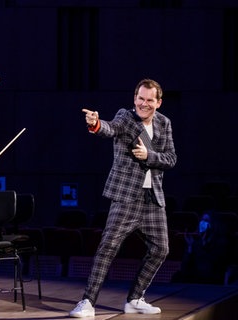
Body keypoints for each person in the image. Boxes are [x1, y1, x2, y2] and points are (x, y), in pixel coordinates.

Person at [70, 79, 177, 318]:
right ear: (135, 98)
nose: (144, 104)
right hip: (126, 197)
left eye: (150, 100)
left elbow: (171, 159)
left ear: (158, 102)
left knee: (161, 248)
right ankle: (87, 301)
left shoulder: (164, 123)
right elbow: (110, 128)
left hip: (152, 200)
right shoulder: (126, 117)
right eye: (140, 98)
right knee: (108, 246)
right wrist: (96, 124)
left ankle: (135, 298)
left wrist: (149, 155)